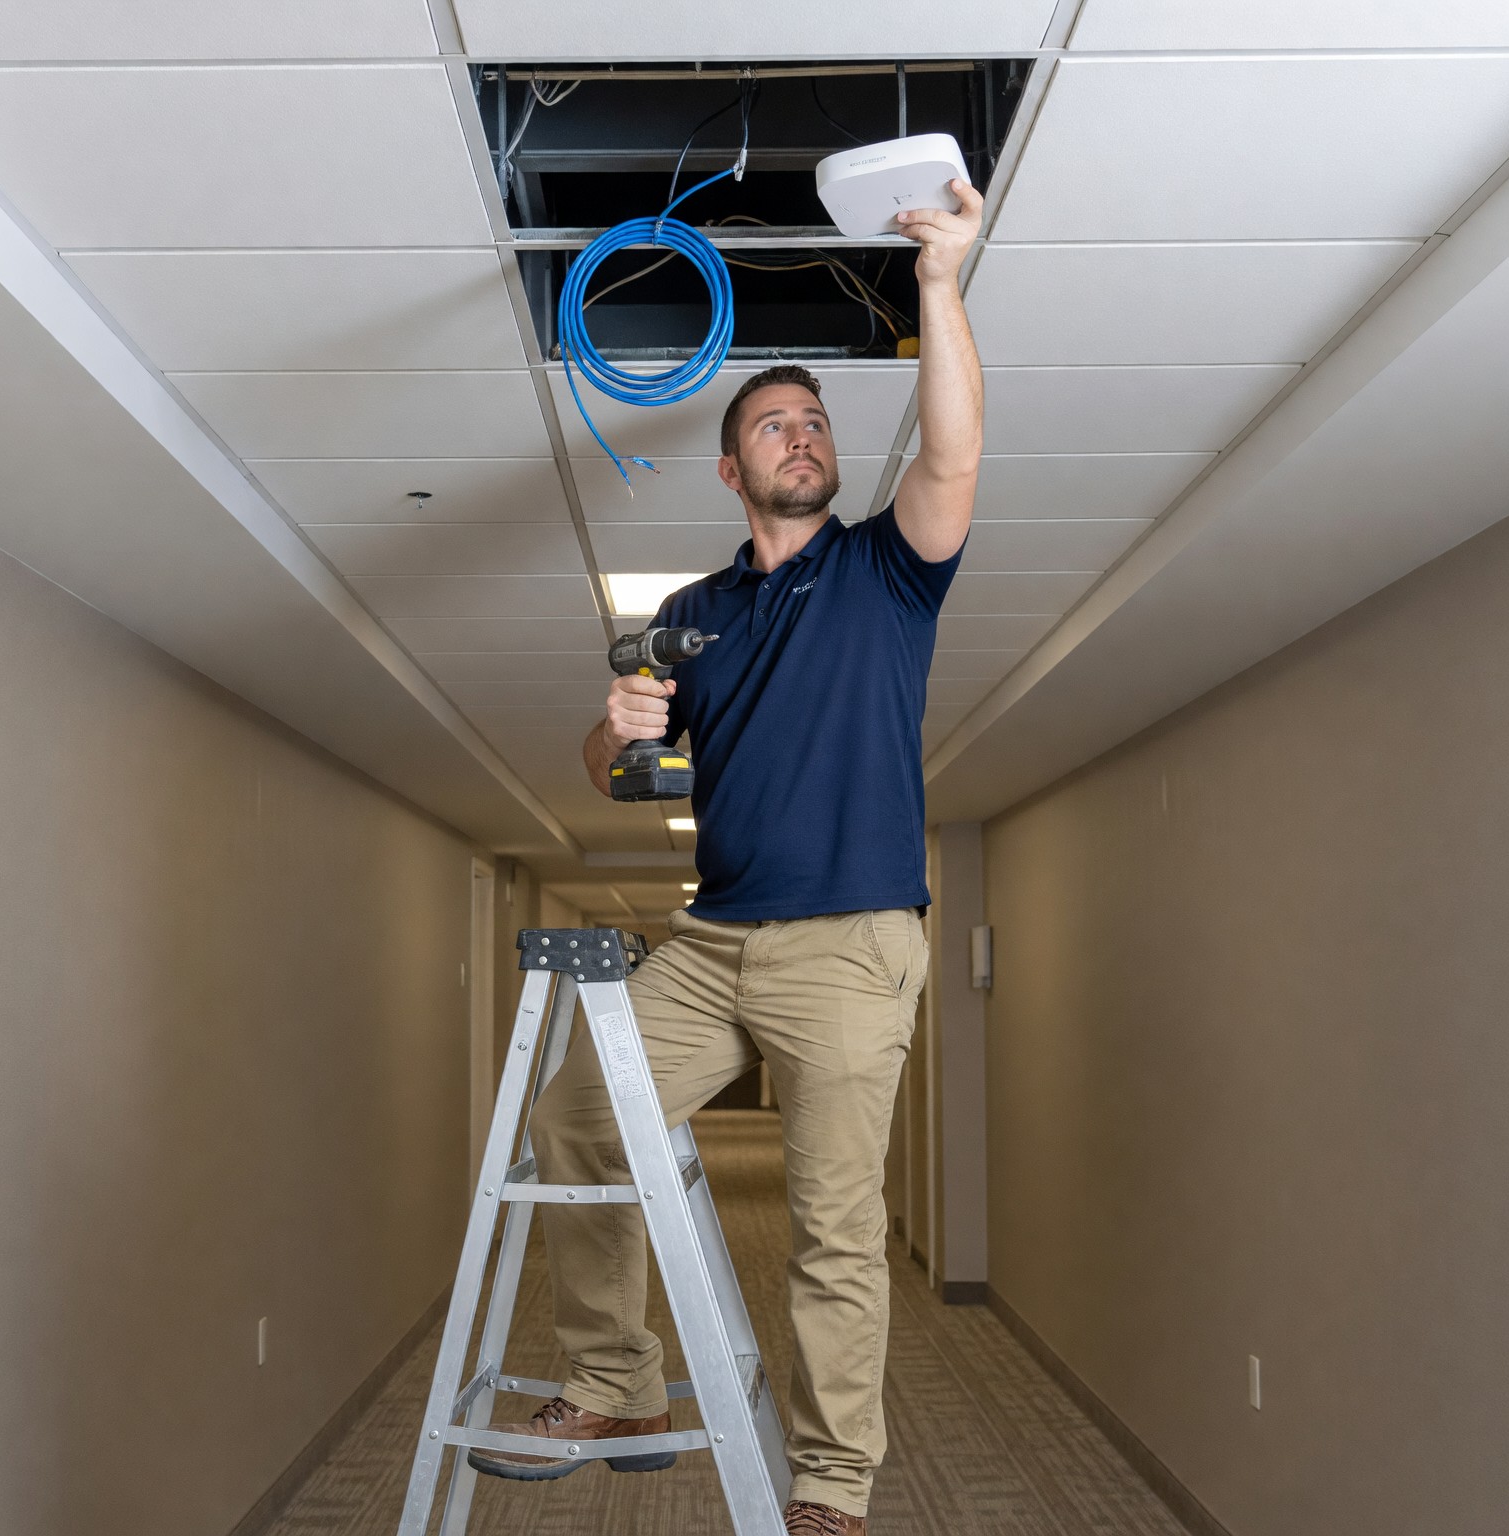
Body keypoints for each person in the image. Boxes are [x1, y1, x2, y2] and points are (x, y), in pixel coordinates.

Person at [469, 179, 985, 1536]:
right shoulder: (695, 609)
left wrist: (936, 284)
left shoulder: (885, 570)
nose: (802, 435)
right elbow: (618, 776)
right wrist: (619, 724)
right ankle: (617, 1380)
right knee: (579, 1116)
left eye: (815, 422)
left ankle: (830, 1485)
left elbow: (953, 463)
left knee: (833, 1224)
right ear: (731, 467)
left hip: (850, 940)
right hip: (713, 939)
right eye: (774, 424)